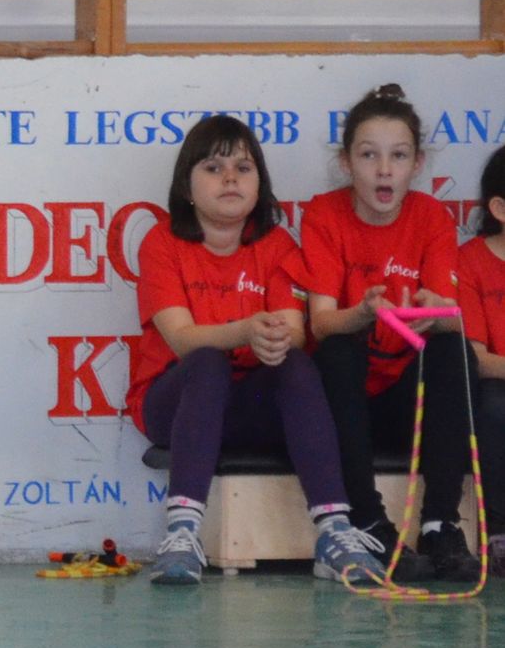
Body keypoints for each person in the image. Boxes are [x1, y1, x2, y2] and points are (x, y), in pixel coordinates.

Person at [128, 115, 377, 587]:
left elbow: (295, 331)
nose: (230, 179)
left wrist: (276, 338)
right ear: (186, 187)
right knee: (206, 361)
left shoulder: (277, 244)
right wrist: (245, 330)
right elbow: (181, 338)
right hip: (175, 404)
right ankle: (181, 534)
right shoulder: (162, 242)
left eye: (243, 168)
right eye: (213, 168)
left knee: (296, 363)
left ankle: (334, 532)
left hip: (249, 406)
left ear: (259, 184)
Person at [296, 84, 475, 581]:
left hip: (404, 405)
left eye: (398, 156)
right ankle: (368, 520)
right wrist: (364, 312)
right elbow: (321, 322)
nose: (383, 170)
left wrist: (436, 311)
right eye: (368, 155)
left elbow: (452, 316)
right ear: (346, 162)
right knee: (337, 350)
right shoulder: (324, 213)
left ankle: (440, 524)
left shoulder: (431, 216)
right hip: (346, 405)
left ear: (417, 164)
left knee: (453, 349)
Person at [446, 143, 505, 558]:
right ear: (499, 208)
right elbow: (475, 359)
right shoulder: (469, 262)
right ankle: (498, 532)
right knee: (494, 405)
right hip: (497, 383)